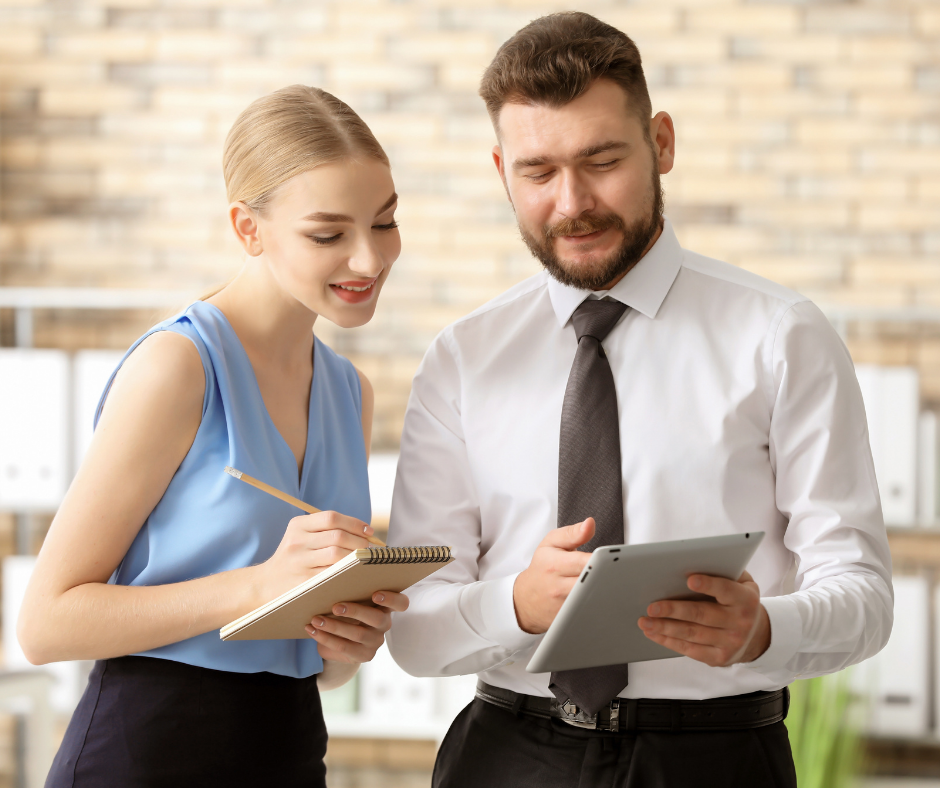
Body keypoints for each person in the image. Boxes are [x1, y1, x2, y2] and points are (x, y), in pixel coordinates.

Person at [386, 12, 893, 788]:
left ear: (661, 143)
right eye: (538, 172)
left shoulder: (781, 335)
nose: (571, 202)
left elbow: (863, 596)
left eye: (601, 160)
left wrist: (761, 630)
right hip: (505, 755)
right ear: (501, 170)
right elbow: (415, 634)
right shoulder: (463, 357)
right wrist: (517, 604)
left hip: (716, 758)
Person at [18, 85, 407, 788]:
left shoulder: (351, 393)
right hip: (146, 754)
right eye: (328, 234)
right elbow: (46, 624)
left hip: (286, 749)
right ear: (248, 228)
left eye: (383, 223)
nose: (368, 260)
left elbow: (319, 668)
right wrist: (259, 585)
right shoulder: (179, 368)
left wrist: (352, 640)